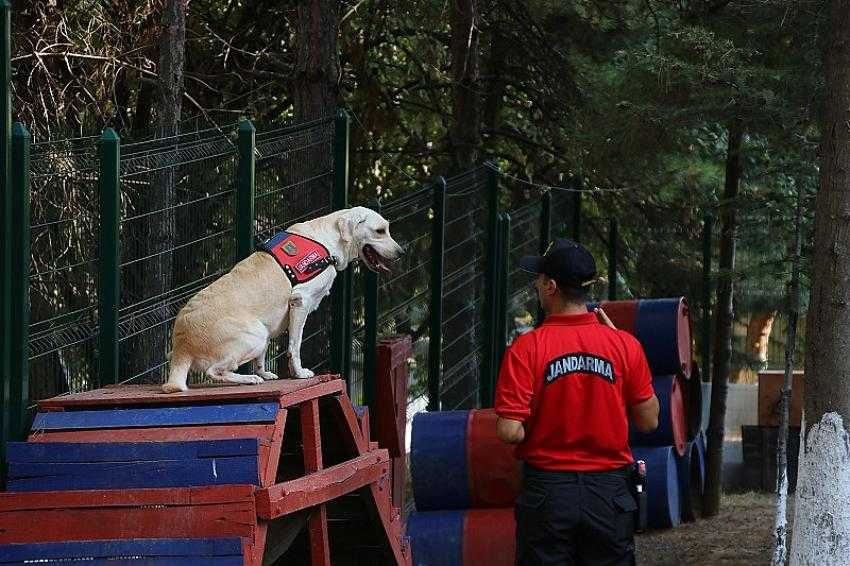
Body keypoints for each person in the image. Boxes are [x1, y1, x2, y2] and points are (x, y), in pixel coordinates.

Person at [494, 238, 660, 565]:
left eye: (539, 279)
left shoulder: (527, 349)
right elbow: (649, 420)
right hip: (610, 494)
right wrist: (625, 351)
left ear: (551, 286)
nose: (536, 285)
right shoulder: (624, 345)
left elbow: (509, 431)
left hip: (549, 494)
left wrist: (535, 428)